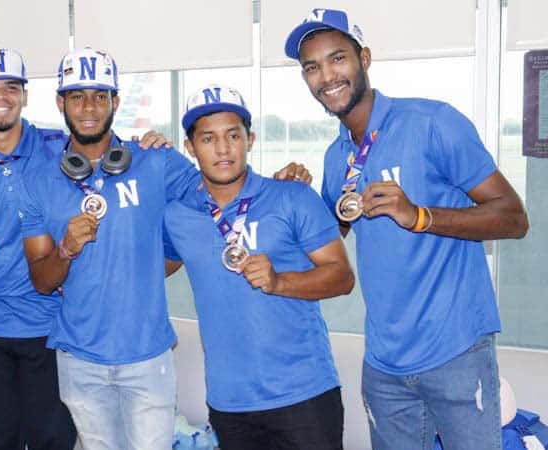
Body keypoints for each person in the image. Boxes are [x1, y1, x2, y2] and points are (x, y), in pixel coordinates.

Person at [284, 9, 529, 450]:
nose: (326, 76)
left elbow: (513, 217)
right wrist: (288, 196)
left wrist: (420, 215)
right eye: (312, 67)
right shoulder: (336, 157)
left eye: (337, 58)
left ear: (365, 58)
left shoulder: (432, 123)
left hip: (456, 351)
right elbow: (328, 237)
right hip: (384, 362)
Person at [0, 47, 171, 450]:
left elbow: (109, 155)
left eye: (9, 86)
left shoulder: (57, 148)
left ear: (24, 94)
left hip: (49, 327)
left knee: (54, 444)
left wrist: (149, 145)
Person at [163, 84, 354, 450]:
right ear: (190, 148)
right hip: (228, 402)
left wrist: (279, 281)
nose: (222, 149)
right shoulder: (177, 216)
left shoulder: (293, 196)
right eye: (208, 138)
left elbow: (342, 277)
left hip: (304, 393)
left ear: (249, 139)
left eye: (232, 135)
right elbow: (153, 269)